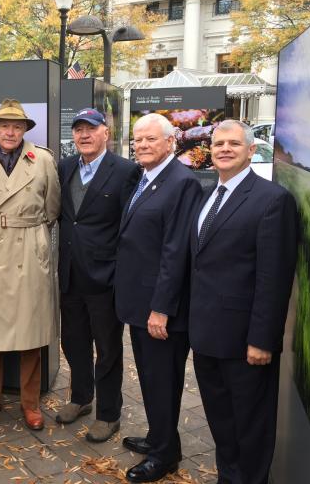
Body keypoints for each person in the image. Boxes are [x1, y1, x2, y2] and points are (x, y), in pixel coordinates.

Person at [189, 120, 297, 484]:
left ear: (251, 150)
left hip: (245, 344)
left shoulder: (272, 200)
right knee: (222, 423)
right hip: (206, 338)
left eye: (234, 143)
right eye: (218, 143)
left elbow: (274, 277)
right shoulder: (209, 195)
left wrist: (262, 340)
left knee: (251, 430)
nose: (224, 149)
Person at [115, 113, 202, 483]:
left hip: (160, 309)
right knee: (151, 378)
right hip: (140, 302)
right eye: (138, 139)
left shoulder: (182, 183)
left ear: (171, 142)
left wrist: (161, 309)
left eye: (151, 139)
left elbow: (175, 251)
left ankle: (164, 456)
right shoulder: (147, 177)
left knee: (161, 380)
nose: (142, 145)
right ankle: (160, 438)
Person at [0, 98, 61, 431]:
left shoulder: (43, 161)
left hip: (28, 249)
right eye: (4, 125)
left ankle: (30, 403)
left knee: (31, 333)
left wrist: (28, 234)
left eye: (17, 126)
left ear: (25, 129)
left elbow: (52, 209)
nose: (10, 131)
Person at [56, 108, 141, 442]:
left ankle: (109, 414)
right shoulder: (64, 168)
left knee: (107, 349)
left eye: (91, 129)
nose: (84, 135)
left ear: (106, 132)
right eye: (78, 130)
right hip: (70, 275)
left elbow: (129, 226)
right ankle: (80, 398)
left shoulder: (125, 171)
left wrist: (120, 272)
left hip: (104, 278)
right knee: (74, 343)